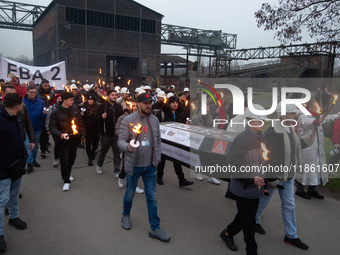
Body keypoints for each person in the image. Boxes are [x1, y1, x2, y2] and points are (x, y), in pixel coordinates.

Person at [255, 102, 314, 250]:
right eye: (293, 114)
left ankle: (291, 236)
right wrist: (272, 179)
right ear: (283, 115)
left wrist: (307, 140)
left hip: (289, 176)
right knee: (263, 201)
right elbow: (268, 157)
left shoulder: (290, 130)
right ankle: (253, 221)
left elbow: (293, 147)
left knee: (289, 205)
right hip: (276, 176)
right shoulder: (272, 132)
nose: (296, 116)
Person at [118, 93, 170, 242]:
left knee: (152, 198)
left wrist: (157, 158)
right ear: (138, 104)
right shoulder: (128, 120)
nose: (149, 106)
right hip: (134, 166)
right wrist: (128, 147)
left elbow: (158, 141)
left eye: (150, 103)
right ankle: (126, 215)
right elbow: (120, 142)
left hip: (150, 166)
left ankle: (155, 228)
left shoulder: (154, 119)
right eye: (146, 103)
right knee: (129, 194)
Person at [220, 104, 267, 255]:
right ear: (251, 121)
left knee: (246, 216)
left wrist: (266, 181)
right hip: (244, 188)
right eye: (260, 120)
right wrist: (250, 179)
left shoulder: (262, 137)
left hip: (257, 187)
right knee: (249, 222)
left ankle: (227, 233)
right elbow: (233, 165)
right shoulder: (241, 139)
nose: (263, 123)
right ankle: (251, 250)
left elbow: (263, 162)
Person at [0, 93, 28, 252]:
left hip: (17, 166)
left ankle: (13, 217)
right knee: (1, 201)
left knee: (14, 194)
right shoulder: (1, 120)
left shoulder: (16, 118)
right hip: (3, 169)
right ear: (17, 105)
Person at [296, 100, 340, 199]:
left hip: (317, 150)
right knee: (304, 169)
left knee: (316, 169)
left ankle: (312, 189)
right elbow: (306, 123)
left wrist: (338, 114)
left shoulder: (318, 117)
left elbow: (328, 118)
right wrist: (316, 121)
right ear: (310, 108)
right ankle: (299, 189)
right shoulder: (303, 116)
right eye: (315, 106)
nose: (318, 107)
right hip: (306, 150)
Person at [49, 92, 86, 191]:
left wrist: (82, 135)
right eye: (70, 100)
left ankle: (68, 173)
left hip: (74, 139)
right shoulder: (55, 112)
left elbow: (80, 123)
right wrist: (60, 134)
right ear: (64, 100)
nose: (72, 101)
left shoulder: (75, 109)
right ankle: (66, 180)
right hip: (62, 140)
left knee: (72, 158)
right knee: (64, 161)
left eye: (73, 99)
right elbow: (52, 127)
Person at [156, 96, 194, 187]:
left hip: (175, 140)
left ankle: (181, 180)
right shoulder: (162, 114)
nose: (175, 104)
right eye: (173, 102)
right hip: (164, 140)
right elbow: (156, 126)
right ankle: (159, 176)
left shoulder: (180, 113)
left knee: (177, 160)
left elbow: (181, 126)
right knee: (162, 160)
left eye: (176, 103)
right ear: (169, 104)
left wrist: (186, 125)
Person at [115, 98, 144, 194]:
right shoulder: (123, 118)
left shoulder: (142, 117)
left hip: (139, 145)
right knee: (127, 165)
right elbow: (117, 131)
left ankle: (134, 184)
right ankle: (121, 177)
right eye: (133, 106)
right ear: (128, 107)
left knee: (137, 165)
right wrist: (125, 134)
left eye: (136, 105)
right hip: (128, 145)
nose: (135, 107)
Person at [95, 89, 124, 176]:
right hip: (106, 134)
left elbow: (122, 118)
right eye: (112, 95)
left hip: (116, 134)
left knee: (117, 153)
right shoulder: (102, 106)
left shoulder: (119, 106)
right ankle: (99, 165)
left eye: (115, 95)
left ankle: (116, 170)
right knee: (103, 151)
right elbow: (96, 119)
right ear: (108, 96)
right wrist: (101, 117)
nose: (114, 96)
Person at [191, 104, 220, 184]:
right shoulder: (196, 118)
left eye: (208, 108)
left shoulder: (210, 116)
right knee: (199, 157)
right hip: (199, 141)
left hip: (208, 140)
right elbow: (192, 130)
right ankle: (197, 172)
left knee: (211, 157)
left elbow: (211, 127)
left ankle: (211, 176)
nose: (207, 110)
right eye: (205, 108)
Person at [23, 85, 47, 173]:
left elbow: (42, 115)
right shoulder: (23, 102)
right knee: (28, 145)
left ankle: (33, 160)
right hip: (25, 127)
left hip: (37, 126)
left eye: (34, 92)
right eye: (31, 92)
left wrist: (44, 113)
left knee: (35, 145)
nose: (33, 94)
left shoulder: (41, 102)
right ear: (27, 92)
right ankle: (29, 163)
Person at [36, 79, 55, 158]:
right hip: (40, 114)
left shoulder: (51, 93)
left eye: (48, 86)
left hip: (49, 113)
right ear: (42, 85)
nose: (47, 87)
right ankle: (43, 149)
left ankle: (46, 145)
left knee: (47, 131)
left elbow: (53, 102)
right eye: (45, 86)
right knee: (42, 132)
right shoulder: (37, 93)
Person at [79, 94, 99, 166]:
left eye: (91, 100)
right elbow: (80, 118)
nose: (90, 101)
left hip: (96, 129)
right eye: (89, 100)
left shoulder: (97, 107)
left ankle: (93, 153)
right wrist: (81, 114)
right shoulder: (84, 107)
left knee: (95, 143)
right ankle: (90, 157)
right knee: (88, 144)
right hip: (87, 129)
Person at [45, 94, 62, 167]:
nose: (60, 100)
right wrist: (48, 128)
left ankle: (63, 158)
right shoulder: (52, 108)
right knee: (57, 144)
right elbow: (48, 118)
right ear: (55, 99)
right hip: (55, 129)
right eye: (58, 98)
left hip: (63, 128)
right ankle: (56, 158)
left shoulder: (66, 107)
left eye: (61, 98)